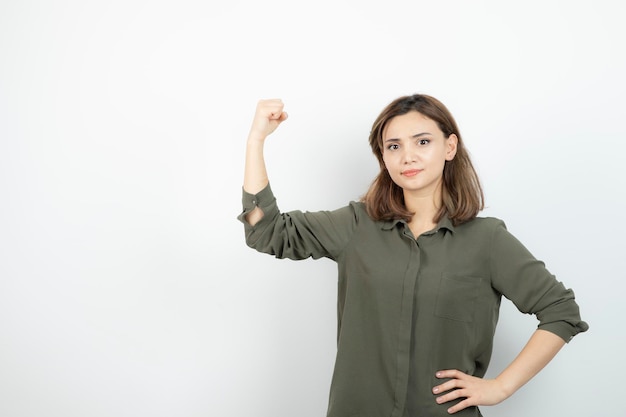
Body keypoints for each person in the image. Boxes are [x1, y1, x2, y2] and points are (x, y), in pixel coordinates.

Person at [238, 95, 588, 416]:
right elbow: (266, 231)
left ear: (450, 146)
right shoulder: (355, 225)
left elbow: (561, 311)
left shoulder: (488, 240)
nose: (408, 156)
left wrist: (500, 387)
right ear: (383, 158)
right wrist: (256, 140)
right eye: (393, 146)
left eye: (423, 141)